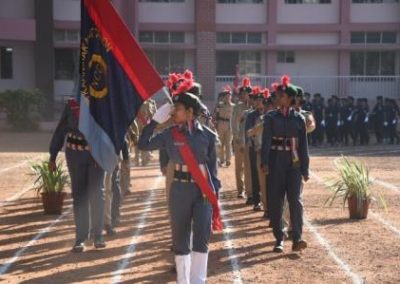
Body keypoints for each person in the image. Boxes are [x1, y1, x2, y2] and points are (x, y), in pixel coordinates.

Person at [138, 75, 221, 284]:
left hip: (202, 192)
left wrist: (214, 197)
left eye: (178, 108)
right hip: (179, 191)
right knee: (180, 240)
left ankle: (198, 281)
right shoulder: (168, 134)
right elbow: (143, 144)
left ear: (191, 112)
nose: (174, 112)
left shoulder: (208, 136)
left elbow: (212, 171)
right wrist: (155, 120)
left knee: (201, 239)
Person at [49, 97, 106, 252]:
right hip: (75, 154)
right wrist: (53, 155)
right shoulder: (72, 105)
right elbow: (61, 130)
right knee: (79, 195)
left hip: (96, 155)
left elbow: (112, 128)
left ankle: (98, 235)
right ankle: (80, 238)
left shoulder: (104, 102)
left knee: (97, 194)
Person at [261, 75, 309, 253]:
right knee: (275, 201)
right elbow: (266, 141)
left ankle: (297, 238)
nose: (278, 98)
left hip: (294, 162)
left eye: (281, 96)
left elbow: (303, 145)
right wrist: (264, 161)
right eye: (277, 95)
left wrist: (305, 168)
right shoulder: (271, 117)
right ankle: (279, 238)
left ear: (290, 98)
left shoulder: (299, 119)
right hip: (275, 162)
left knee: (295, 200)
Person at [245, 86, 265, 212]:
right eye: (257, 100)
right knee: (255, 174)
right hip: (255, 147)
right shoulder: (251, 115)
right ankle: (257, 201)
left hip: (268, 148)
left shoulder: (269, 114)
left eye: (261, 100)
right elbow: (247, 131)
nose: (258, 102)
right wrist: (249, 142)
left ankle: (267, 201)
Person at [232, 77, 252, 198]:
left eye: (247, 93)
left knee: (248, 165)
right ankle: (240, 189)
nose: (245, 95)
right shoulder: (237, 107)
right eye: (243, 93)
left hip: (250, 140)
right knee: (239, 165)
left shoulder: (253, 107)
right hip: (240, 139)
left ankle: (250, 189)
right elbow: (234, 123)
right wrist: (236, 137)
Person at [214, 86, 234, 167]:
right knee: (220, 142)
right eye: (226, 96)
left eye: (229, 96)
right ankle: (221, 159)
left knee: (228, 143)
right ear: (224, 97)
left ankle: (228, 159)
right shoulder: (220, 105)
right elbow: (216, 114)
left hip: (229, 124)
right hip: (221, 123)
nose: (227, 98)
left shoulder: (233, 106)